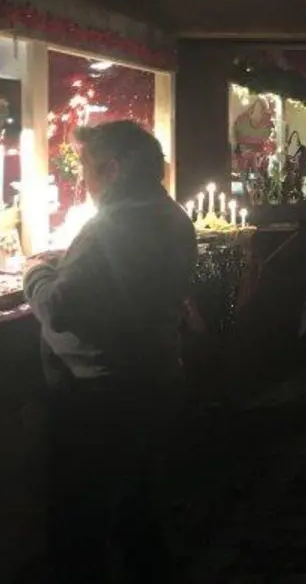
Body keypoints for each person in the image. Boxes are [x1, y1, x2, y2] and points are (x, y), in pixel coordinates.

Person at [23, 120, 197, 583]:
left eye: (87, 169)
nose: (84, 180)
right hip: (154, 374)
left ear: (114, 169)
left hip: (99, 391)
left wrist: (36, 274)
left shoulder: (110, 230)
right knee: (141, 505)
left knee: (82, 518)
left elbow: (60, 308)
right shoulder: (172, 216)